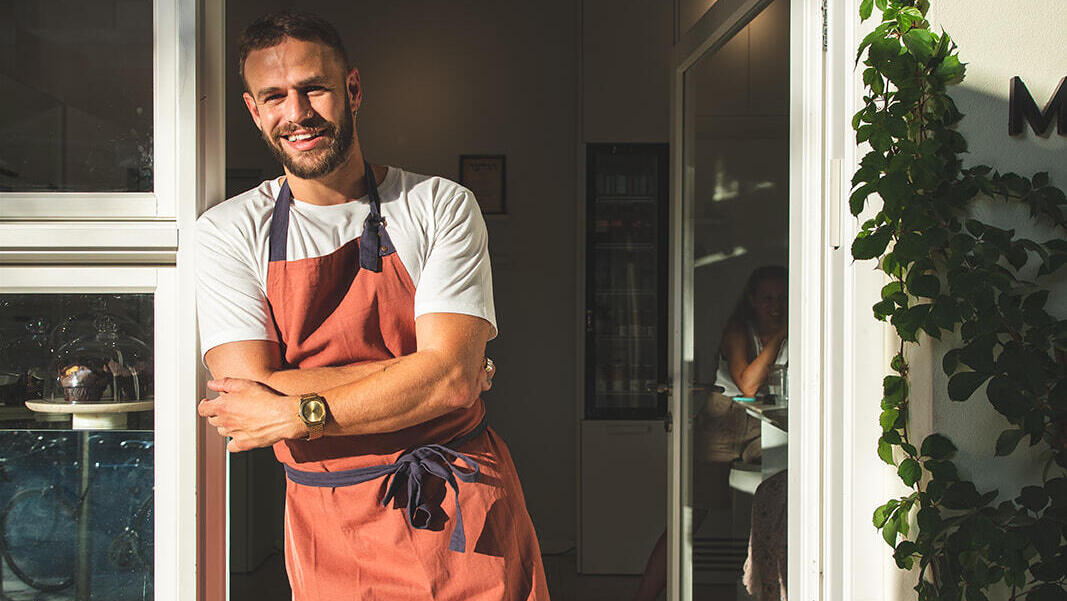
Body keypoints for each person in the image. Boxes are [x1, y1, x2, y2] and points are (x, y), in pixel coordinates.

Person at [194, 11, 549, 600]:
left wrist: (296, 410)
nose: (298, 112)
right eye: (275, 96)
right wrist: (426, 371)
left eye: (315, 88)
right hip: (328, 527)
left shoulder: (439, 206)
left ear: (352, 90)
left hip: (458, 508)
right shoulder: (228, 230)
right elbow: (243, 393)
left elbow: (452, 381)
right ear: (254, 111)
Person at [633, 265, 787, 601]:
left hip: (765, 423)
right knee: (688, 519)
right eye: (767, 299)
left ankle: (767, 587)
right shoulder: (739, 331)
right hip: (722, 422)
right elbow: (747, 384)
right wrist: (777, 336)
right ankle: (643, 596)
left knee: (782, 496)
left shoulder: (798, 331)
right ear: (752, 300)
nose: (776, 305)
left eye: (782, 297)